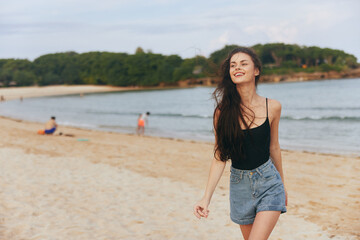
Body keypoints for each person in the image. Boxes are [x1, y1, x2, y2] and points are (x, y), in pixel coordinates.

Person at [193, 47, 287, 240]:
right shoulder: (222, 112)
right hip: (239, 186)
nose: (237, 67)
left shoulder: (273, 107)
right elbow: (220, 156)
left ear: (256, 70)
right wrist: (206, 198)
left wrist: (283, 185)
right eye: (233, 65)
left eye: (244, 63)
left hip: (269, 182)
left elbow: (274, 148)